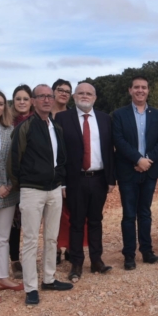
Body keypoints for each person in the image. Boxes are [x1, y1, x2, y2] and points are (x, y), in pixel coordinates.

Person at [8, 84, 73, 306]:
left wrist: (60, 181)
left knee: (51, 237)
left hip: (54, 190)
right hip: (31, 190)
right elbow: (14, 161)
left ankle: (49, 278)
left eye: (49, 96)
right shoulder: (24, 128)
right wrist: (23, 186)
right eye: (41, 96)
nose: (46, 99)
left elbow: (61, 159)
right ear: (34, 101)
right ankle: (31, 288)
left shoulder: (56, 127)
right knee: (30, 240)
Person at [55, 83, 115, 281]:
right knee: (76, 222)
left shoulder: (105, 119)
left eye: (89, 93)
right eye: (81, 93)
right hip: (75, 180)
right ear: (74, 96)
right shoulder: (62, 118)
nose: (85, 96)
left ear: (95, 97)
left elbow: (109, 151)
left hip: (98, 178)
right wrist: (62, 182)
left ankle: (97, 261)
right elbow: (59, 153)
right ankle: (77, 263)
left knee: (96, 221)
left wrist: (111, 179)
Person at [112, 76, 158, 270]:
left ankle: (147, 251)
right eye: (136, 87)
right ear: (130, 90)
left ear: (148, 90)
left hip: (149, 171)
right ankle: (129, 255)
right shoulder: (119, 115)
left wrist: (147, 161)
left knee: (145, 213)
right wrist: (137, 159)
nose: (140, 90)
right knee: (128, 215)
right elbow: (118, 140)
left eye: (144, 87)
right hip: (128, 171)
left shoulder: (157, 115)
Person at [0, 89, 23, 303]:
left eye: (1, 103)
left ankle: (2, 277)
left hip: (9, 192)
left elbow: (14, 160)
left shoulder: (9, 130)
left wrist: (11, 184)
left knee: (2, 238)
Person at [50, 78, 79, 264]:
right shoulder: (44, 114)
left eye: (67, 91)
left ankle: (69, 246)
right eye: (60, 90)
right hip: (47, 172)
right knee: (52, 214)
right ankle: (53, 250)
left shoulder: (73, 115)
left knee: (70, 213)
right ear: (53, 92)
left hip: (70, 172)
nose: (63, 93)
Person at [8, 85, 35, 279]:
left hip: (32, 181)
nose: (22, 102)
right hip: (11, 182)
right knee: (13, 224)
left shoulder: (38, 122)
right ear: (14, 101)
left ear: (31, 101)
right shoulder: (7, 124)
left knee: (31, 224)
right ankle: (15, 261)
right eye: (19, 99)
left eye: (26, 98)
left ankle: (30, 259)